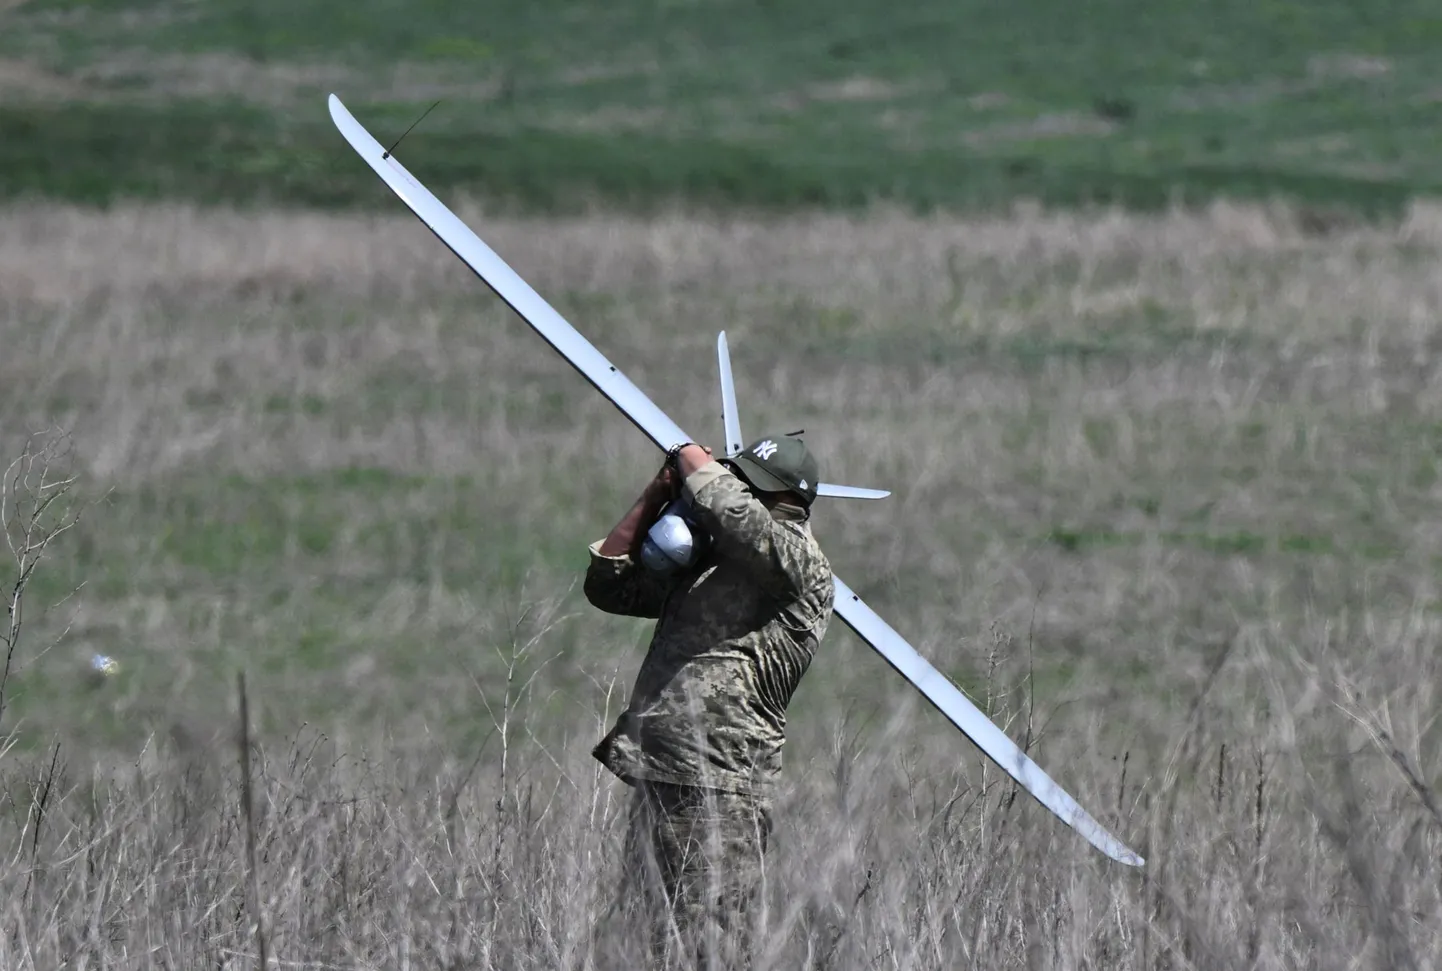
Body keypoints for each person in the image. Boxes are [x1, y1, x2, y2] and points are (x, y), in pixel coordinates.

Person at [584, 434, 835, 970]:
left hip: (721, 783)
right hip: (662, 771)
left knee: (713, 943)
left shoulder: (799, 563)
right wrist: (659, 491)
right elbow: (611, 585)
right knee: (641, 935)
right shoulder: (713, 565)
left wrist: (690, 456)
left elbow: (737, 513)